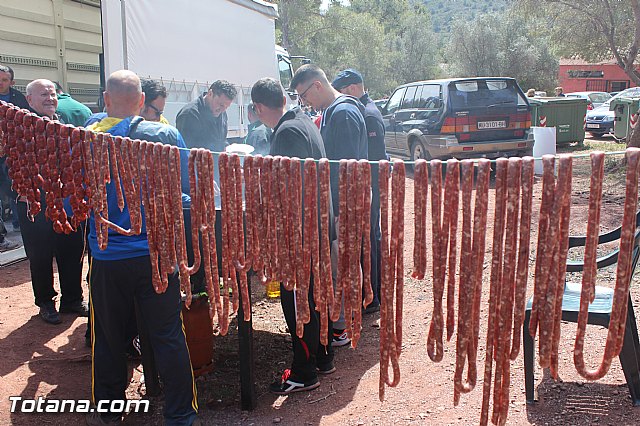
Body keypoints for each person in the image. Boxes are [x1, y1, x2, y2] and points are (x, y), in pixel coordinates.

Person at [85, 70, 197, 426]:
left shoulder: (86, 136)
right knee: (167, 335)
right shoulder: (164, 134)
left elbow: (75, 200)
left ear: (106, 101)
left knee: (108, 336)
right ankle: (181, 415)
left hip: (107, 258)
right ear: (141, 103)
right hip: (157, 256)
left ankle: (107, 413)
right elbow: (185, 189)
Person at [251, 76, 335, 394]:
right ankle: (323, 358)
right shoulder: (304, 121)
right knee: (315, 296)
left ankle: (303, 372)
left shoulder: (286, 133)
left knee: (297, 299)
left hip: (300, 229)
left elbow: (290, 188)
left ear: (259, 107)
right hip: (316, 224)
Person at [290, 64, 368, 347]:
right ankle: (345, 321)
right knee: (343, 262)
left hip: (344, 202)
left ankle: (342, 326)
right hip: (340, 201)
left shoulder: (344, 112)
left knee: (342, 263)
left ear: (317, 86)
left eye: (304, 95)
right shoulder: (334, 111)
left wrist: (335, 207)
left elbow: (345, 167)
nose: (305, 101)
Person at [20, 79, 87, 325]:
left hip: (66, 199)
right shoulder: (21, 126)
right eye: (42, 94)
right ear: (29, 100)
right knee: (40, 253)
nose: (49, 98)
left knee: (71, 248)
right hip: (34, 200)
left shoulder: (63, 124)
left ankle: (72, 298)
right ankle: (46, 302)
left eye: (52, 93)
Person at [332, 68, 386, 313]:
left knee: (370, 238)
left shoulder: (369, 114)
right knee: (370, 237)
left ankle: (372, 296)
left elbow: (373, 157)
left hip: (370, 184)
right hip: (369, 185)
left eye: (342, 92)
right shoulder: (364, 109)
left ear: (353, 88)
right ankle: (374, 292)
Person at [0, 65, 29, 231]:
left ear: (12, 82)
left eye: (4, 80)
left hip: (13, 151)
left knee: (14, 186)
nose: (1, 83)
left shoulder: (18, 98)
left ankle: (19, 222)